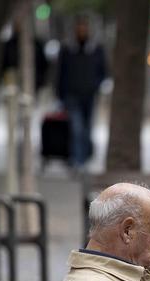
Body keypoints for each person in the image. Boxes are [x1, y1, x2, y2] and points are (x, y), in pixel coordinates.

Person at [56, 17, 107, 170]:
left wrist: (95, 86)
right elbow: (61, 73)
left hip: (90, 95)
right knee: (76, 128)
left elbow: (103, 71)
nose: (82, 32)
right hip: (72, 95)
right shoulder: (67, 49)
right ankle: (78, 160)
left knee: (88, 128)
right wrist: (60, 94)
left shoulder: (96, 49)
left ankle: (85, 156)